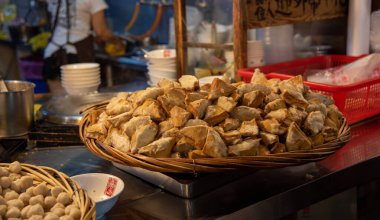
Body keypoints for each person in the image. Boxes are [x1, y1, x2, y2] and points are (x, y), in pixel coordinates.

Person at [42, 0, 115, 95]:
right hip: (77, 57)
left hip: (52, 54)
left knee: (59, 102)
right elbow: (100, 31)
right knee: (80, 103)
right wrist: (114, 38)